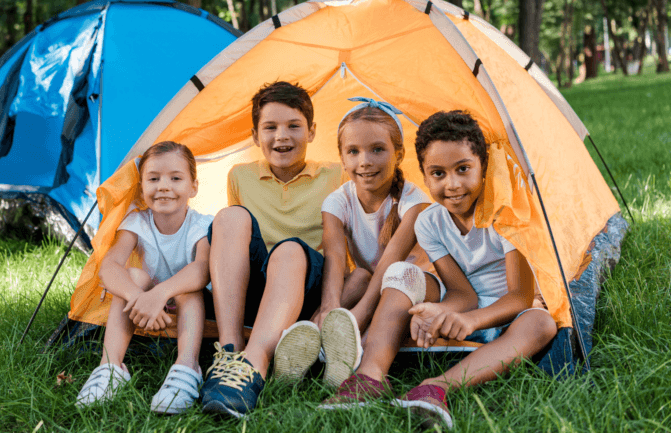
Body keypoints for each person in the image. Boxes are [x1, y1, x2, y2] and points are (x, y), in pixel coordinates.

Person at [339, 110, 556, 429]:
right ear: (425, 177)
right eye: (438, 173)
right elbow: (462, 292)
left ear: (483, 167)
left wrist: (468, 320)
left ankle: (435, 387)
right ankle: (369, 376)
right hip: (467, 307)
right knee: (402, 271)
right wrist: (439, 312)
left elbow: (520, 296)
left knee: (542, 324)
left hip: (509, 311)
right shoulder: (429, 221)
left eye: (463, 169)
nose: (452, 185)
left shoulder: (505, 214)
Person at [199, 81, 342, 417]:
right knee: (231, 217)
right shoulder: (240, 176)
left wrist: (332, 304)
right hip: (259, 287)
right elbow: (236, 247)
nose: (282, 137)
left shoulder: (336, 175)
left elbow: (340, 244)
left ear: (311, 132)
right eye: (270, 128)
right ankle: (230, 351)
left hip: (305, 285)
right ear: (254, 135)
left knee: (291, 250)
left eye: (294, 126)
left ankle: (255, 363)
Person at [275, 98, 439, 389]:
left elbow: (391, 262)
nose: (364, 161)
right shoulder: (338, 201)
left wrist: (356, 315)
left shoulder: (415, 203)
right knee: (360, 275)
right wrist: (329, 306)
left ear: (398, 154)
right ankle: (314, 337)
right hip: (371, 285)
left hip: (413, 289)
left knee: (388, 276)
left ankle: (341, 344)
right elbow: (336, 258)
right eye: (353, 152)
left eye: (377, 149)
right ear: (342, 158)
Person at [76, 141, 213, 414]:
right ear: (141, 188)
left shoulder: (202, 224)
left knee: (189, 288)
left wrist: (160, 295)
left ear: (193, 187)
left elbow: (201, 271)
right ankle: (110, 367)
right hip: (147, 302)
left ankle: (187, 367)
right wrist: (139, 298)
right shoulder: (137, 222)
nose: (163, 186)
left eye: (175, 178)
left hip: (188, 302)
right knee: (134, 275)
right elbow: (109, 267)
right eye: (153, 178)